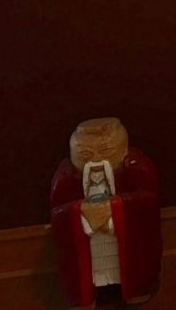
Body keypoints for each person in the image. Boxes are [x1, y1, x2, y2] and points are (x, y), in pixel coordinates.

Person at [50, 117, 162, 309]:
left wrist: (115, 209)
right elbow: (58, 213)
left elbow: (148, 204)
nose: (95, 160)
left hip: (120, 244)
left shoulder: (137, 170)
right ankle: (85, 295)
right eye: (85, 154)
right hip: (90, 246)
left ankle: (136, 290)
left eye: (106, 152)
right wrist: (80, 212)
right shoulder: (66, 179)